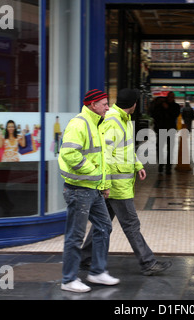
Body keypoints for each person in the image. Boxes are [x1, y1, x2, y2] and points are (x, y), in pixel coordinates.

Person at [81, 88, 172, 276]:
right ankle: (148, 263)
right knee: (131, 224)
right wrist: (105, 184)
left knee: (101, 223)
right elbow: (104, 155)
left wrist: (138, 165)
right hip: (116, 185)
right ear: (133, 104)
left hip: (115, 183)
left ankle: (85, 257)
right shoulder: (113, 122)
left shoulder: (122, 119)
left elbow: (126, 150)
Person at [58, 89, 119, 293]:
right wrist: (91, 171)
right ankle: (68, 279)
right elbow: (68, 153)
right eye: (104, 103)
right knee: (75, 236)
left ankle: (97, 271)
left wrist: (105, 184)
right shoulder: (79, 124)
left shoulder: (96, 124)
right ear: (93, 105)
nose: (107, 107)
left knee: (104, 226)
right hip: (79, 189)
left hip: (93, 189)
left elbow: (101, 158)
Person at [152, 92, 181, 174]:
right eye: (169, 97)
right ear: (167, 97)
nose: (171, 98)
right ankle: (161, 165)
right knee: (160, 148)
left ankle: (168, 167)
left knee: (170, 149)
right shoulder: (160, 105)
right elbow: (154, 114)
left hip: (171, 130)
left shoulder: (176, 106)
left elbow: (175, 114)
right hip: (161, 129)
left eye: (172, 97)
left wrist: (167, 108)